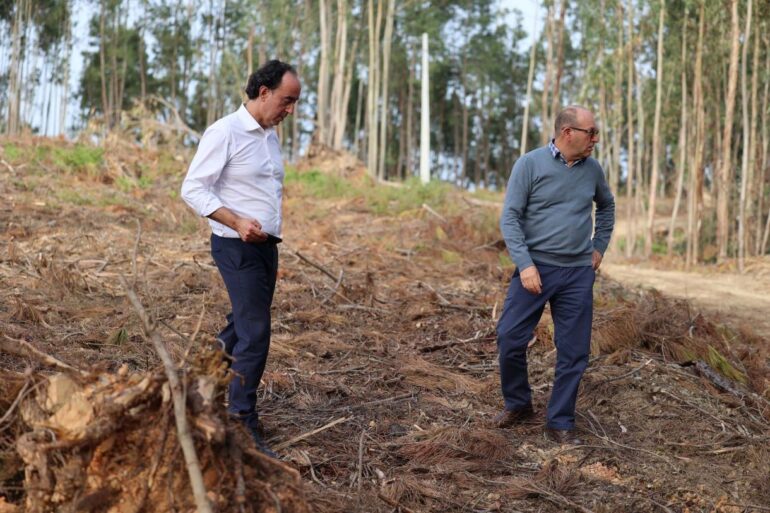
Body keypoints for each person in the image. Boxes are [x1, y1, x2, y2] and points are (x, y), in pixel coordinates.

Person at [181, 60, 301, 456]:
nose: (290, 110)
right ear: (263, 92)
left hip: (265, 248)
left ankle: (196, 385)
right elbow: (193, 189)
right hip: (236, 247)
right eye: (287, 101)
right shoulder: (225, 132)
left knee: (241, 326)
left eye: (295, 102)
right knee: (255, 333)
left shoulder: (269, 136)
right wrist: (235, 221)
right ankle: (242, 423)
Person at [493, 105, 615, 445]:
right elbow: (510, 218)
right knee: (510, 338)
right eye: (590, 132)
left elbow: (607, 206)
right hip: (536, 269)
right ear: (567, 133)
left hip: (577, 272)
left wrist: (599, 246)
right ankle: (518, 405)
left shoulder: (593, 170)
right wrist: (526, 263)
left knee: (574, 351)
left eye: (595, 132)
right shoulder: (530, 164)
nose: (596, 139)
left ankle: (560, 421)